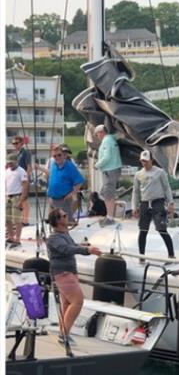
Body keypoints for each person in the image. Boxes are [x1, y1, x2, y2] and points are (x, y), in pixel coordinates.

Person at [46, 207, 102, 345]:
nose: (67, 216)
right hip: (63, 273)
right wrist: (87, 250)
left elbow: (70, 245)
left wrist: (82, 245)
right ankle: (64, 334)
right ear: (59, 221)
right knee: (77, 302)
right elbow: (66, 249)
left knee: (67, 303)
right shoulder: (53, 238)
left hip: (70, 272)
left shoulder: (64, 234)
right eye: (64, 215)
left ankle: (63, 333)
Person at [132, 150, 175, 260]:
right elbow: (136, 192)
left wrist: (170, 202)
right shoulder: (138, 174)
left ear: (151, 160)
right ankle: (141, 256)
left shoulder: (160, 172)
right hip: (145, 203)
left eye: (146, 161)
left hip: (158, 203)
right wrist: (134, 207)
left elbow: (166, 187)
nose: (144, 163)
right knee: (143, 230)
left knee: (162, 229)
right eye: (142, 161)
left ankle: (171, 255)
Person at [47, 145, 84, 223]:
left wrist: (72, 194)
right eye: (54, 156)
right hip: (52, 200)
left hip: (64, 200)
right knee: (54, 222)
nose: (57, 157)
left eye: (59, 155)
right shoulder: (53, 164)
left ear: (63, 155)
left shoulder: (70, 166)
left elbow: (79, 181)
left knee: (64, 222)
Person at [94, 124, 122, 226]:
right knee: (107, 193)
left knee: (108, 195)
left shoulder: (106, 141)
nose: (97, 137)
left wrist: (97, 165)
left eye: (97, 134)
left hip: (110, 170)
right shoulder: (111, 139)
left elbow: (107, 157)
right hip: (113, 170)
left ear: (101, 132)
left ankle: (110, 218)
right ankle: (109, 215)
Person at [5, 154, 29, 245]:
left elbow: (25, 186)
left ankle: (17, 239)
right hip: (7, 196)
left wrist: (21, 200)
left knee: (17, 220)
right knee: (7, 219)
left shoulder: (21, 171)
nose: (9, 164)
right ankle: (11, 237)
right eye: (8, 162)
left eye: (11, 162)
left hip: (17, 196)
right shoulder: (6, 171)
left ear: (16, 161)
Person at [11, 136, 32, 225]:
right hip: (18, 180)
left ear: (21, 143)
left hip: (24, 179)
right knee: (20, 199)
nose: (15, 145)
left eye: (16, 143)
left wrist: (26, 178)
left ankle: (25, 221)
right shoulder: (17, 154)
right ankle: (22, 220)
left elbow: (29, 166)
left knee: (24, 199)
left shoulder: (25, 152)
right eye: (13, 143)